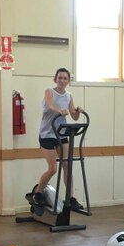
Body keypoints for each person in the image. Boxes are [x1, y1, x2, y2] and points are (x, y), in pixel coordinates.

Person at [33, 68, 85, 210]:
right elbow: (50, 105)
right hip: (47, 134)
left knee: (67, 166)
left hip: (61, 134)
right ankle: (38, 192)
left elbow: (73, 116)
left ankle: (71, 198)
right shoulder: (49, 92)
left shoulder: (68, 96)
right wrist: (59, 110)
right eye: (59, 78)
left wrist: (77, 112)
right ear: (55, 79)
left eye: (65, 78)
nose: (62, 81)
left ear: (68, 81)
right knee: (53, 169)